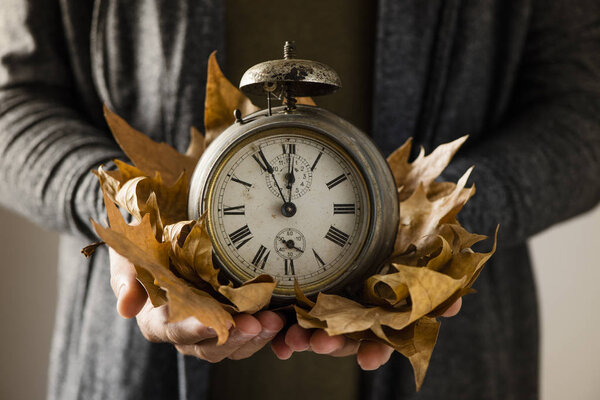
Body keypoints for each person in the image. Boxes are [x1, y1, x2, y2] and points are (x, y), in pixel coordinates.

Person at [1, 1, 598, 400]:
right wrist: (126, 208)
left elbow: (584, 109)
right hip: (138, 373)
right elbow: (14, 102)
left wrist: (439, 215)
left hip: (455, 373)